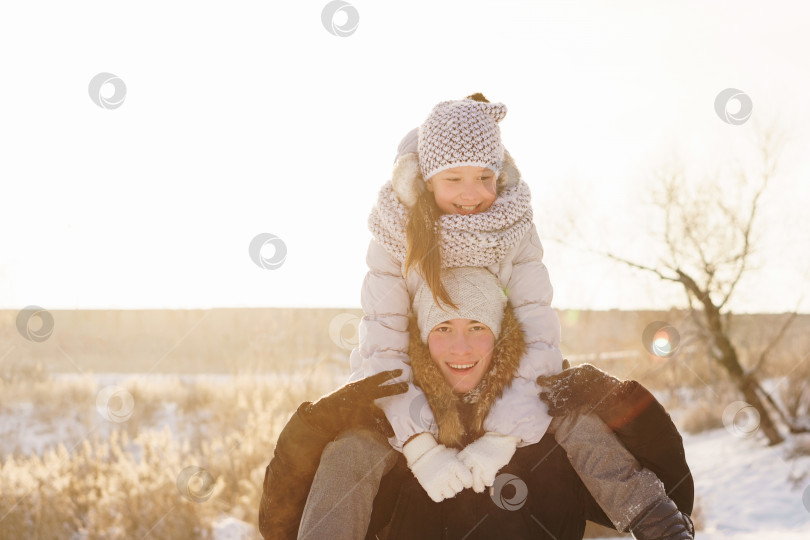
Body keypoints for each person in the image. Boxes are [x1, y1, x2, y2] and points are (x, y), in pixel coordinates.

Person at [303, 93, 687, 535]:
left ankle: (660, 524)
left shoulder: (513, 223)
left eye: (485, 177)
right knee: (352, 449)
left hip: (503, 369)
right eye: (455, 179)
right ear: (427, 180)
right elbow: (382, 346)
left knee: (575, 419)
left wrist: (503, 437)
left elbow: (538, 334)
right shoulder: (394, 231)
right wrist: (421, 448)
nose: (472, 194)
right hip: (410, 379)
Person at [259, 267, 695, 539]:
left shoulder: (549, 416)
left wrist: (615, 400)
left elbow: (676, 493)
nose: (461, 347)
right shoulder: (389, 430)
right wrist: (315, 427)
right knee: (356, 442)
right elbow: (280, 526)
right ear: (422, 339)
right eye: (443, 328)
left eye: (477, 327)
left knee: (572, 418)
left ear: (501, 335)